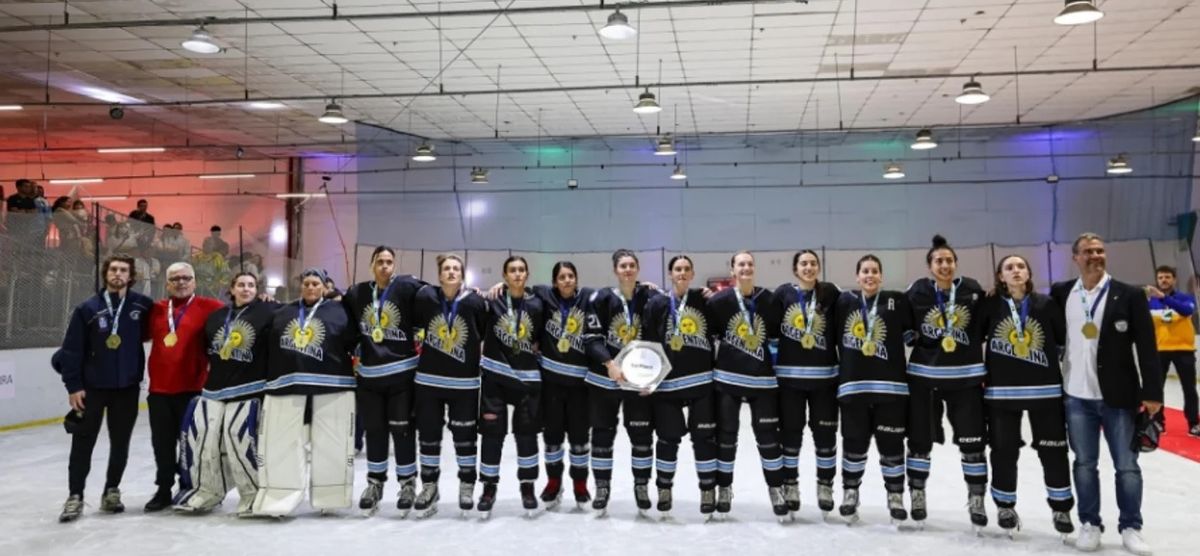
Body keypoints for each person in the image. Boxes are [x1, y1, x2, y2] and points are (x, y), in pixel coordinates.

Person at [1050, 233, 1162, 555]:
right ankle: (1089, 522)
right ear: (1076, 257)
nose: (1095, 255)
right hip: (1076, 396)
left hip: (1119, 396)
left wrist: (1152, 392)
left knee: (1127, 466)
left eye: (1100, 250)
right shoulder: (1062, 293)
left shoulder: (1128, 295)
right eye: (1088, 251)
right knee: (1084, 464)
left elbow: (1147, 347)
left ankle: (1131, 525)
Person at [978, 255, 1075, 538]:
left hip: (1045, 392)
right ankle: (1005, 505)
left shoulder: (1046, 304)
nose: (1016, 271)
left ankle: (1061, 507)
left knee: (1053, 450)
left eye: (1021, 266)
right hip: (1001, 393)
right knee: (1004, 450)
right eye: (1009, 267)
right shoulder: (990, 305)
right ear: (1000, 277)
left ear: (1029, 273)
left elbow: (1060, 342)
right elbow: (975, 337)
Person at [253, 268, 358, 517]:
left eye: (315, 283)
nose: (311, 287)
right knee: (284, 443)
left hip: (333, 384)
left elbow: (352, 341)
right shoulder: (282, 311)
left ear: (324, 287)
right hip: (287, 384)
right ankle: (280, 497)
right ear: (301, 286)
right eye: (307, 283)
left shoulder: (341, 311)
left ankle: (330, 497)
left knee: (331, 442)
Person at [57, 255, 155, 522]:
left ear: (131, 275)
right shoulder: (87, 309)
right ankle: (75, 496)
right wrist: (74, 386)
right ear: (105, 273)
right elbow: (72, 351)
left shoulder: (142, 305)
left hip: (127, 388)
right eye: (113, 269)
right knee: (83, 443)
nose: (118, 274)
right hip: (92, 389)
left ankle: (111, 490)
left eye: (124, 270)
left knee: (120, 442)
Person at [904, 235, 989, 529]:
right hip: (925, 379)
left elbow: (989, 320)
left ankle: (976, 497)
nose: (945, 265)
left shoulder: (972, 290)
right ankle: (917, 493)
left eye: (949, 260)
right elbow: (903, 322)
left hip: (965, 379)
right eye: (939, 261)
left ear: (956, 263)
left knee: (973, 442)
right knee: (919, 441)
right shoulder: (916, 291)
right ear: (930, 266)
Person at [174, 272, 276, 515]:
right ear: (232, 288)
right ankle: (207, 490)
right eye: (241, 284)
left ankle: (253, 493)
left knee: (238, 438)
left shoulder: (268, 312)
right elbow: (207, 350)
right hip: (214, 389)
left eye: (251, 285)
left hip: (250, 389)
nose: (246, 289)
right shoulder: (217, 317)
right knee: (203, 440)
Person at [342, 246, 425, 516]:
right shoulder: (357, 293)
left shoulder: (408, 287)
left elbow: (440, 295)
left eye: (389, 262)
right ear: (371, 265)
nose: (385, 266)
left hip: (402, 376)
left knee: (402, 431)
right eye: (380, 262)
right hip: (370, 378)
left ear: (395, 265)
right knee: (375, 432)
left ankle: (407, 483)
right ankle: (375, 484)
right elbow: (341, 321)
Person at [832, 254, 914, 524]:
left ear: (881, 276)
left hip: (890, 390)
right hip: (853, 388)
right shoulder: (844, 302)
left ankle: (895, 496)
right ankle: (850, 494)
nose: (870, 275)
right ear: (857, 276)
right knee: (854, 444)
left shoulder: (896, 301)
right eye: (865, 271)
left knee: (891, 445)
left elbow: (916, 331)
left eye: (874, 271)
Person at [705, 251, 785, 520]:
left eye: (750, 263)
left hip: (762, 381)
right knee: (727, 437)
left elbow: (775, 338)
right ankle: (724, 488)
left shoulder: (770, 300)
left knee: (768, 437)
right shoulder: (719, 301)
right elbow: (710, 335)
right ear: (732, 270)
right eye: (741, 264)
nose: (746, 267)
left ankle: (776, 489)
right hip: (728, 379)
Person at [411, 254, 489, 518]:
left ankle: (467, 484)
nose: (452, 272)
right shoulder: (425, 298)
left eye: (456, 268)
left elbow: (482, 332)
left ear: (463, 274)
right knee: (429, 437)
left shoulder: (476, 302)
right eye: (446, 268)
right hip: (428, 382)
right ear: (439, 274)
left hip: (464, 384)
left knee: (465, 438)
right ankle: (430, 486)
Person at [143, 262, 226, 511]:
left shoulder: (211, 307)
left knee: (194, 445)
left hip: (194, 390)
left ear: (194, 282)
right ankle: (163, 489)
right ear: (167, 283)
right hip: (159, 391)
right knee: (163, 444)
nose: (181, 283)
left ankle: (195, 487)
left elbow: (243, 316)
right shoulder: (156, 310)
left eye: (186, 278)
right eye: (175, 279)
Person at [582, 249, 658, 516]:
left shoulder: (651, 297)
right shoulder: (601, 298)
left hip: (637, 382)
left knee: (641, 435)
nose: (627, 269)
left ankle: (641, 486)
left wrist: (653, 377)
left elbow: (660, 338)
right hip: (604, 381)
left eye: (632, 265)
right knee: (602, 435)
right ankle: (602, 487)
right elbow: (590, 339)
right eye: (623, 266)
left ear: (638, 269)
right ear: (615, 270)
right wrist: (610, 364)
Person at [642, 255, 718, 519]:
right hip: (668, 386)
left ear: (693, 273)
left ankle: (708, 490)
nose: (682, 273)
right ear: (670, 273)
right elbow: (649, 344)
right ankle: (664, 489)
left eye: (687, 269)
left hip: (701, 383)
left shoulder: (705, 301)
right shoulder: (657, 304)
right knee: (667, 440)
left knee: (704, 440)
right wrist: (647, 380)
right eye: (678, 269)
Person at [771, 249, 841, 517]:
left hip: (824, 380)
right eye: (804, 264)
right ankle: (790, 485)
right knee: (791, 436)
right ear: (795, 269)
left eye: (813, 263)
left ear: (818, 267)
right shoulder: (783, 294)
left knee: (825, 436)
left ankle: (825, 485)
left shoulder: (831, 294)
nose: (809, 267)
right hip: (790, 381)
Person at [477, 256, 545, 518]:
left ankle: (527, 487)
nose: (517, 274)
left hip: (527, 381)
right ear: (504, 275)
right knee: (492, 435)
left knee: (527, 436)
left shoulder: (538, 303)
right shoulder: (491, 301)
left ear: (527, 274)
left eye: (521, 270)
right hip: (495, 378)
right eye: (512, 271)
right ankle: (489, 488)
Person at [530, 262, 594, 509]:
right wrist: (497, 286)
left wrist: (645, 286)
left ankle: (580, 484)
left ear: (576, 279)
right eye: (561, 277)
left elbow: (618, 293)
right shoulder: (544, 296)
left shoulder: (588, 298)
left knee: (579, 438)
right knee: (553, 436)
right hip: (552, 384)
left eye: (571, 276)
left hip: (580, 386)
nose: (567, 280)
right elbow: (517, 288)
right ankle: (554, 482)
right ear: (554, 281)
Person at [1146, 265, 1199, 436]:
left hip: (1184, 349)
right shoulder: (1150, 302)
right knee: (1157, 388)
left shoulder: (1186, 298)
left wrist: (1164, 298)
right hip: (1160, 350)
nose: (1164, 280)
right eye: (1160, 277)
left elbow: (1187, 311)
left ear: (1174, 279)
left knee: (1189, 389)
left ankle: (1193, 423)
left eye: (1167, 277)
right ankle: (1158, 421)